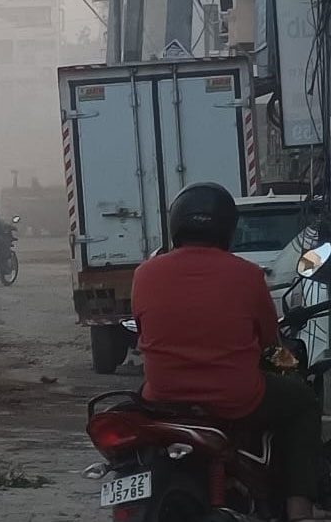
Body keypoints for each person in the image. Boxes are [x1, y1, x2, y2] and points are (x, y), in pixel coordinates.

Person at [133, 182, 323, 522]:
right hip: (236, 399)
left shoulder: (143, 274)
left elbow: (144, 332)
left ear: (175, 224)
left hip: (163, 396)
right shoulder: (247, 275)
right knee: (304, 402)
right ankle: (300, 509)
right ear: (227, 228)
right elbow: (269, 344)